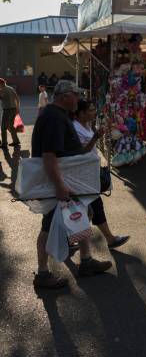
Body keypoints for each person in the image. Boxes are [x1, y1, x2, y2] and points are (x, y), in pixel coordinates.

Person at [31, 80, 112, 289]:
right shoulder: (53, 117)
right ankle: (42, 273)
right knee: (48, 226)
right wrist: (59, 185)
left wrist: (94, 138)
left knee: (84, 216)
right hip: (60, 183)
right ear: (64, 96)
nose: (78, 98)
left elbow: (76, 150)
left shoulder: (60, 115)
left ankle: (86, 261)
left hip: (70, 181)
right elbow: (49, 155)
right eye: (76, 94)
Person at [73, 100, 129, 249]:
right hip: (82, 175)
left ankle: (70, 240)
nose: (93, 112)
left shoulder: (85, 125)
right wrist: (95, 137)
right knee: (92, 207)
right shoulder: (75, 128)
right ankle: (109, 239)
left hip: (89, 173)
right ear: (81, 113)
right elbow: (81, 151)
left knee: (90, 208)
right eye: (90, 110)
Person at [0, 78, 20, 150]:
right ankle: (16, 141)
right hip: (14, 109)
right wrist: (18, 107)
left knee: (3, 128)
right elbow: (17, 98)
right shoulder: (11, 88)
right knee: (11, 126)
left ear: (1, 84)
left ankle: (4, 144)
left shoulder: (3, 90)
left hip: (7, 110)